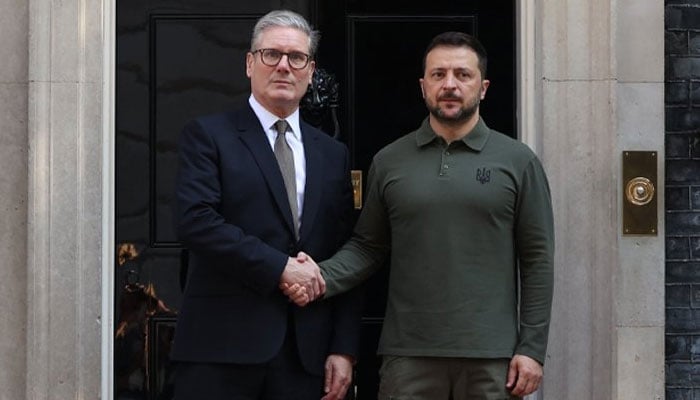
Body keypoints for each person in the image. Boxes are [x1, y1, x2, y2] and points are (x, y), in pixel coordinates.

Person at [284, 31, 555, 399]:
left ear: (484, 87)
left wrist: (531, 348)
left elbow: (538, 259)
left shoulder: (518, 162)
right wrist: (316, 277)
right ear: (423, 86)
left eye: (463, 75)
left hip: (492, 358)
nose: (450, 85)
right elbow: (367, 247)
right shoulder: (390, 161)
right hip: (407, 355)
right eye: (438, 74)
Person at [172, 9, 362, 400]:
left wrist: (344, 347)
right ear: (249, 63)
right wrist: (280, 268)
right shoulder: (208, 136)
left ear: (310, 71)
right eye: (271, 54)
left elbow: (347, 248)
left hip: (305, 355)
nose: (283, 67)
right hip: (220, 351)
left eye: (297, 58)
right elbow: (196, 221)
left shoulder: (333, 154)